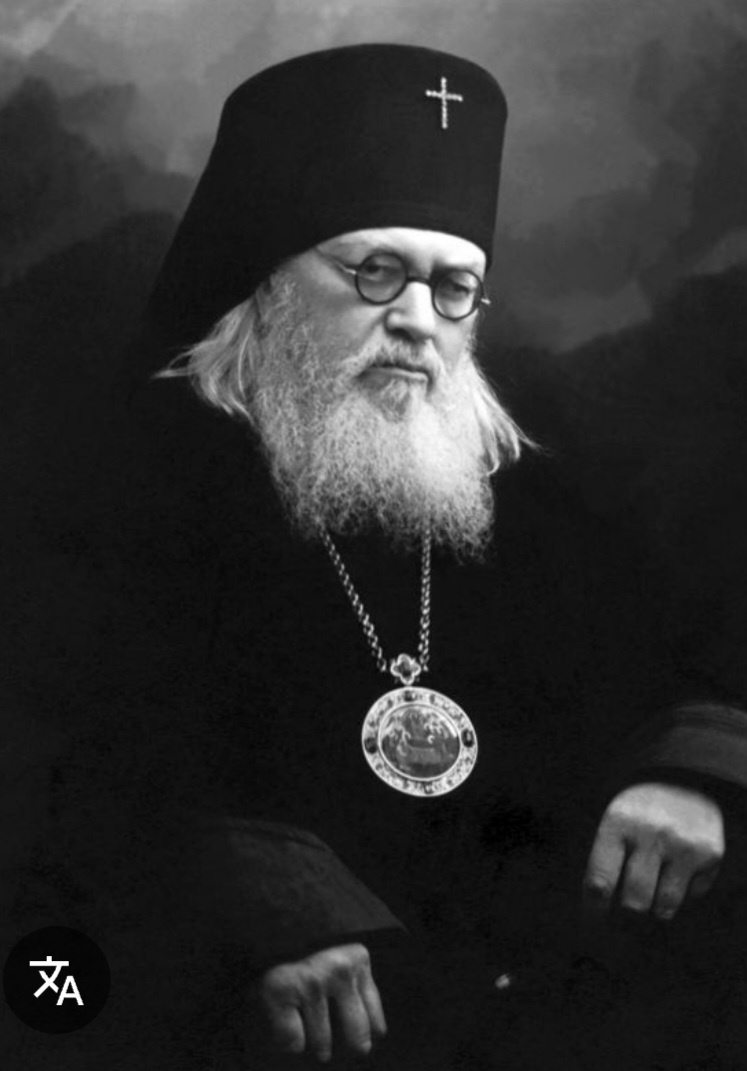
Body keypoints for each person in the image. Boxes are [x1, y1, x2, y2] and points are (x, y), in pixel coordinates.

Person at [7, 44, 747, 1071]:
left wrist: (682, 775)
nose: (415, 319)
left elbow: (678, 656)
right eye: (376, 272)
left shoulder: (522, 494)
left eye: (454, 288)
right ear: (267, 276)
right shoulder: (112, 478)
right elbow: (61, 764)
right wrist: (251, 904)